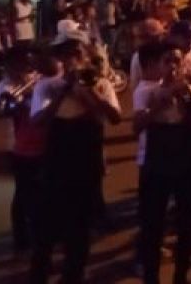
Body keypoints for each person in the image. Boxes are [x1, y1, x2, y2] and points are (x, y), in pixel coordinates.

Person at [28, 38, 121, 284]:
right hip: (57, 158)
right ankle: (39, 273)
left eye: (78, 53)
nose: (74, 58)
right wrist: (63, 92)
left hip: (86, 158)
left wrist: (87, 94)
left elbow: (113, 117)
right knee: (47, 223)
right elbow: (38, 120)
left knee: (80, 226)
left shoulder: (100, 83)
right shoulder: (47, 86)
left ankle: (73, 275)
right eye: (68, 54)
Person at [132, 41, 191, 284]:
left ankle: (181, 276)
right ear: (159, 65)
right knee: (152, 225)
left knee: (186, 225)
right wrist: (161, 101)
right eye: (168, 61)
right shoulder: (146, 92)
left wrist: (185, 99)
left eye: (177, 61)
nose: (173, 66)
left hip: (185, 162)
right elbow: (137, 127)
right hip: (157, 163)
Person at [0, 45, 44, 255]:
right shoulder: (5, 86)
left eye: (29, 65)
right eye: (23, 65)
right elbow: (8, 107)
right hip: (18, 148)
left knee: (38, 192)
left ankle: (33, 235)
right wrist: (26, 95)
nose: (27, 69)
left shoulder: (35, 79)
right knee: (24, 195)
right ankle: (23, 239)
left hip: (41, 144)